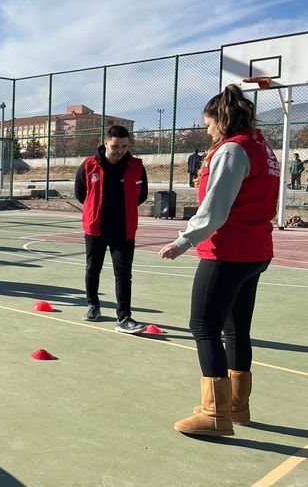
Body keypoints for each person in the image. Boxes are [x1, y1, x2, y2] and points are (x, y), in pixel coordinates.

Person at [159, 85, 279, 437]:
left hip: (228, 252)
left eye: (209, 123)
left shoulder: (231, 151)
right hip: (256, 251)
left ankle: (215, 414)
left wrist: (183, 241)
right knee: (236, 329)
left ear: (221, 120)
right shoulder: (262, 148)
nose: (208, 130)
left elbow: (215, 210)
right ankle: (236, 406)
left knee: (203, 327)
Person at [74, 125, 148, 334]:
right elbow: (80, 193)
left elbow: (141, 195)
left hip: (124, 229)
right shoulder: (89, 166)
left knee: (124, 274)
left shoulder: (136, 166)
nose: (120, 150)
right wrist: (94, 211)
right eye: (115, 146)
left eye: (124, 146)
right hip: (96, 227)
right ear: (106, 143)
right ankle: (93, 305)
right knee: (92, 268)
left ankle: (124, 317)